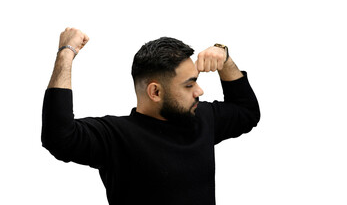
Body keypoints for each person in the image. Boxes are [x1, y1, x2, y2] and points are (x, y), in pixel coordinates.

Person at [42, 27, 260, 205]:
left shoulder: (201, 118)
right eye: (189, 85)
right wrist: (66, 52)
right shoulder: (116, 137)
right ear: (155, 92)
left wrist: (225, 58)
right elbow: (59, 137)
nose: (199, 91)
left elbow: (247, 112)